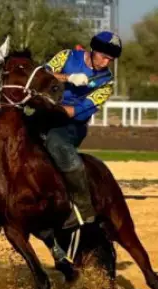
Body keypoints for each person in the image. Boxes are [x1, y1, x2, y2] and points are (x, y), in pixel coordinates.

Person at [44, 31, 121, 228]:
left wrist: (49, 106)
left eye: (110, 60)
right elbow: (40, 76)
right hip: (43, 110)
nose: (105, 63)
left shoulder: (106, 82)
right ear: (93, 50)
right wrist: (67, 77)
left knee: (55, 142)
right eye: (104, 57)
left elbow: (77, 112)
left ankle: (85, 207)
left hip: (70, 126)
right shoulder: (66, 56)